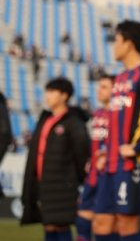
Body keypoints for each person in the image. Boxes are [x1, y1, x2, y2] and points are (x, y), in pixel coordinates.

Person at [93, 21, 140, 241]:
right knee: (102, 222)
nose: (114, 46)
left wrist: (137, 146)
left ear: (128, 43)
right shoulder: (120, 78)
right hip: (112, 161)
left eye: (116, 41)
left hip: (133, 163)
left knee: (128, 224)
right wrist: (108, 150)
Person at [21, 77, 90, 240]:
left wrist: (76, 181)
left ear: (64, 96)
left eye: (52, 92)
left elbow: (82, 155)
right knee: (49, 223)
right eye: (47, 92)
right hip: (44, 184)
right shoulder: (44, 119)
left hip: (63, 186)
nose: (47, 96)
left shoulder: (73, 122)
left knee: (61, 223)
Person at [76, 74, 114, 241]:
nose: (99, 90)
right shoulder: (97, 114)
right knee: (82, 221)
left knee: (104, 223)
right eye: (99, 86)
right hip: (93, 175)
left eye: (104, 87)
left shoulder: (119, 114)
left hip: (110, 175)